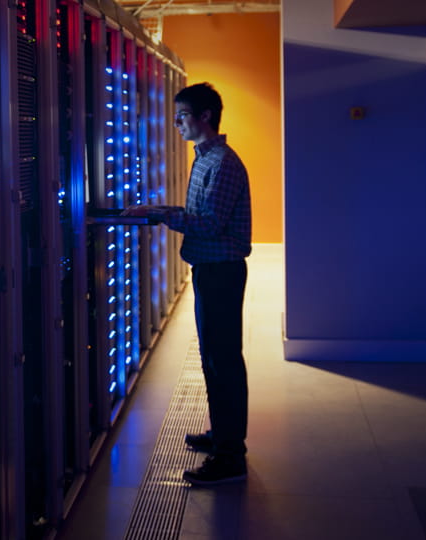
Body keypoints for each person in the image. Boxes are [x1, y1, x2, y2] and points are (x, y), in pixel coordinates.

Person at [122, 82, 251, 485]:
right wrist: (157, 209)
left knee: (223, 360)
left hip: (221, 272)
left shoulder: (222, 163)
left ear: (204, 116)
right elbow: (200, 214)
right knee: (213, 358)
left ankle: (231, 456)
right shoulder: (204, 159)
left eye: (181, 116)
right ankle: (223, 436)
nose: (176, 123)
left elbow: (210, 224)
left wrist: (159, 215)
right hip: (210, 270)